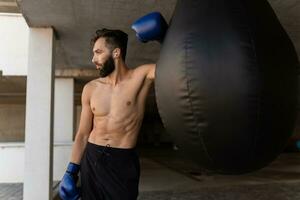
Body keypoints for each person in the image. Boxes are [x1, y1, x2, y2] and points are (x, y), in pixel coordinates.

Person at [59, 12, 168, 200]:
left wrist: (165, 39)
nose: (93, 59)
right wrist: (71, 171)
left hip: (122, 161)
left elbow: (175, 67)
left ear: (116, 53)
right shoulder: (90, 89)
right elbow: (83, 134)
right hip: (92, 158)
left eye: (98, 52)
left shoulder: (141, 76)